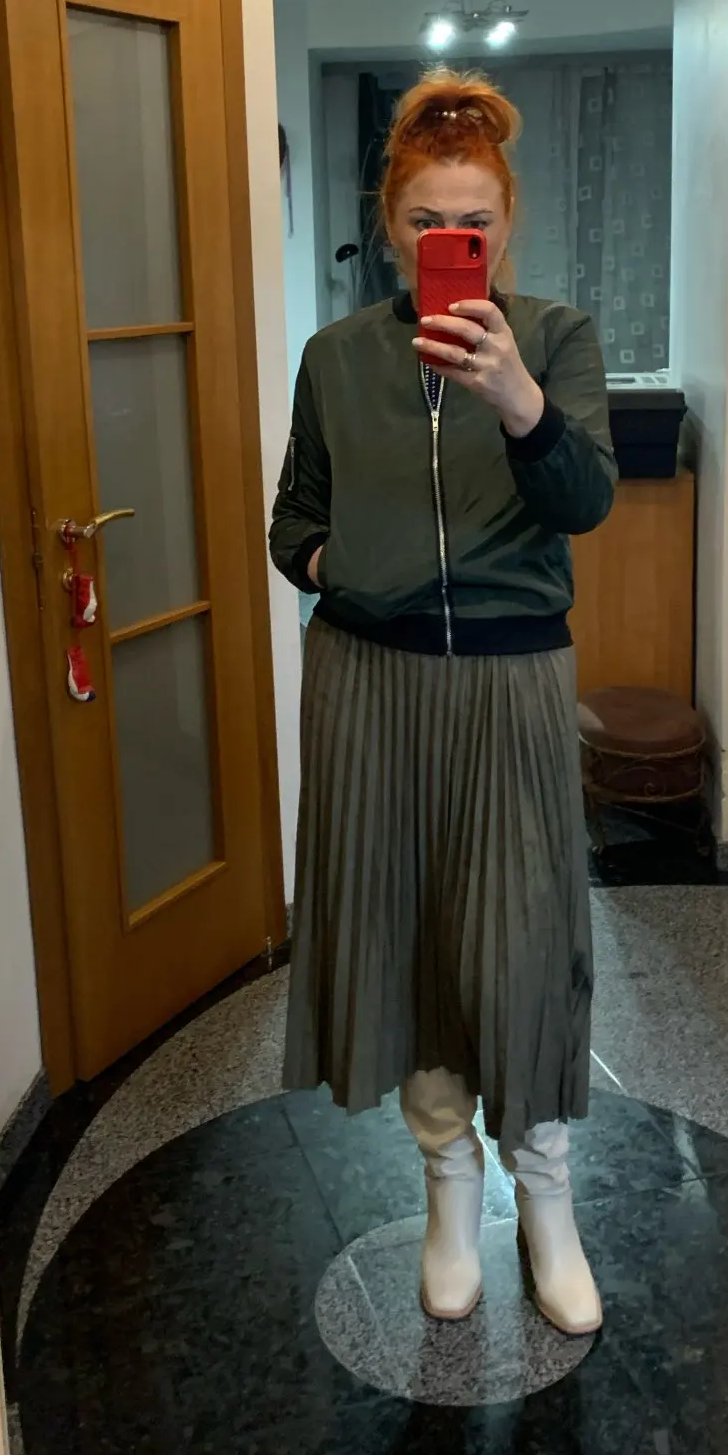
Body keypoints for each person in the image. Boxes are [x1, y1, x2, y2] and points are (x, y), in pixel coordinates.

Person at [270, 69, 616, 1337]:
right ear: (389, 223)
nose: (448, 241)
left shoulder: (557, 338)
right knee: (411, 938)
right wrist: (339, 565)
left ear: (506, 227)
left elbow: (586, 499)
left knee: (520, 940)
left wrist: (519, 399)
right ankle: (448, 1189)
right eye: (426, 220)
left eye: (472, 222)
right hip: (371, 682)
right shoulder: (335, 358)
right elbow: (292, 521)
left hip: (515, 680)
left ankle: (548, 1196)